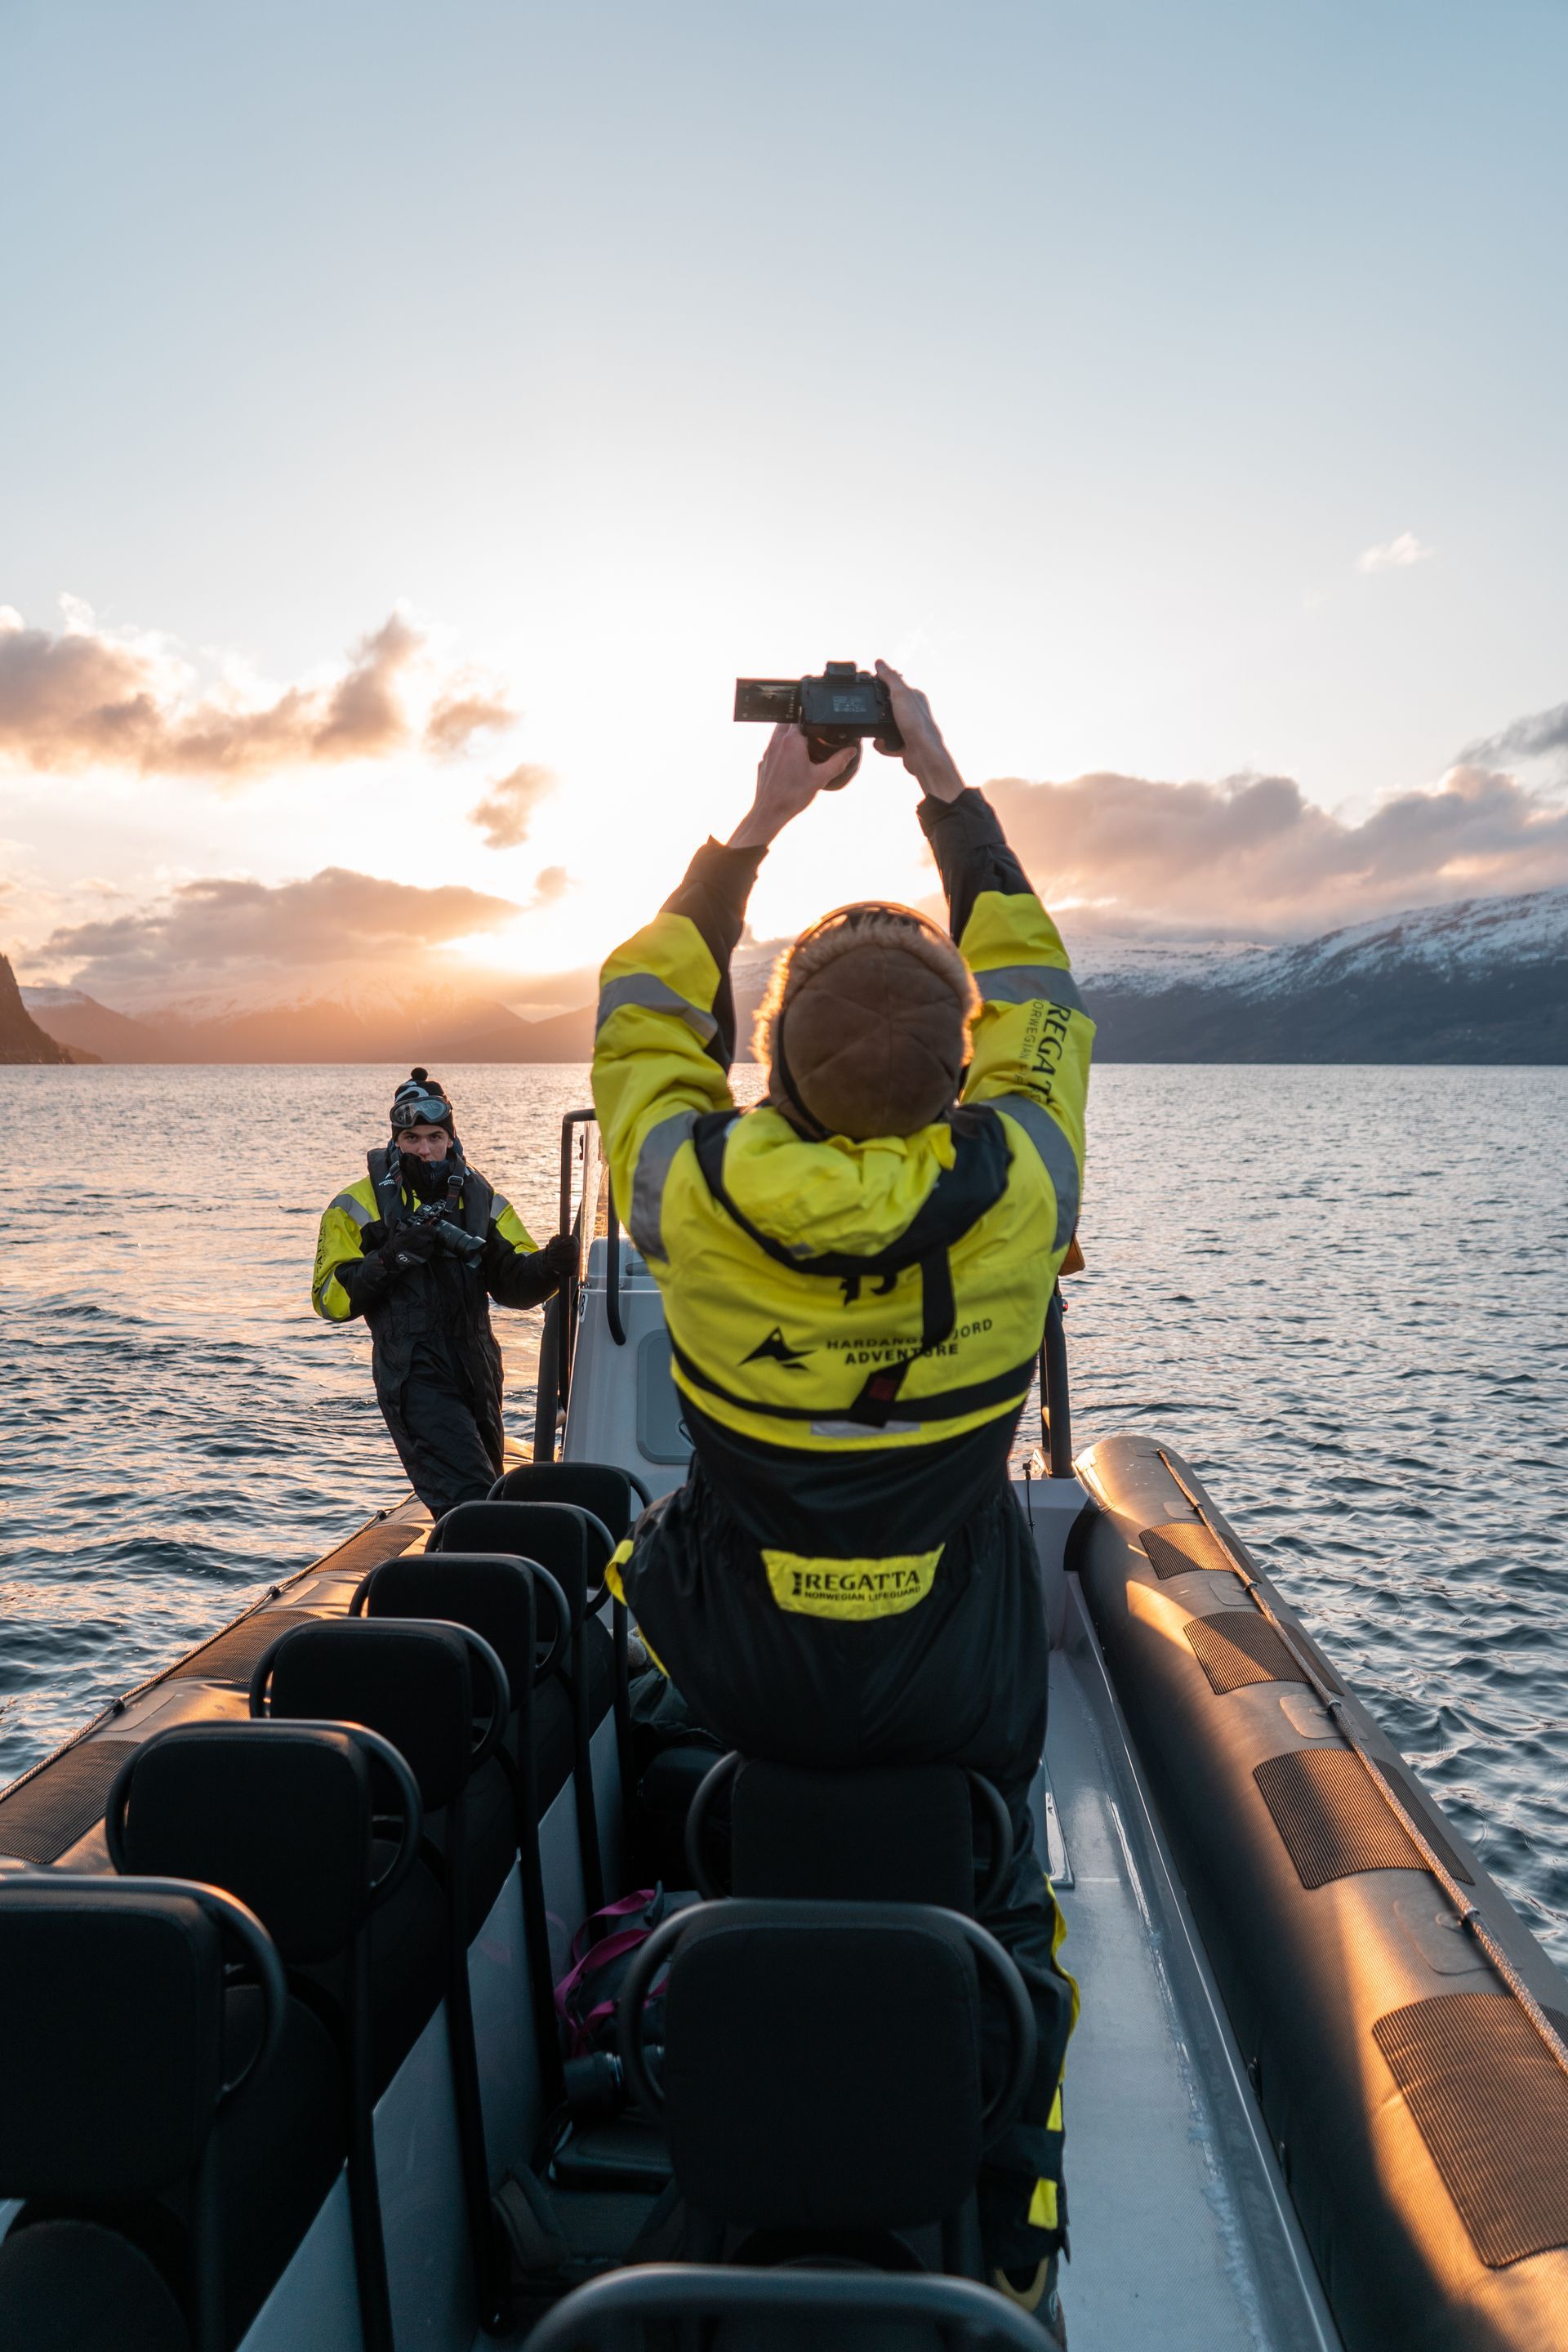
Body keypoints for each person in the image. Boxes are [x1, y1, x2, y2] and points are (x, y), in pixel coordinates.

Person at [591, 662, 1093, 2334]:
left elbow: (641, 1008)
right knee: (1014, 1924)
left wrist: (762, 819)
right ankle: (1014, 2226)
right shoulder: (1022, 1181)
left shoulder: (689, 1187)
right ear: (959, 1071)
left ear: (776, 1063)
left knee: (650, 1597)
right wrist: (942, 784)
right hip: (951, 1680)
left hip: (745, 1667)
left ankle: (703, 2096)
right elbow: (1038, 979)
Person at [312, 1069, 576, 1519]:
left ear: (451, 1138)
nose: (425, 1149)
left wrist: (551, 1264)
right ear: (396, 1141)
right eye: (412, 1137)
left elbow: (514, 1282)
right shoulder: (355, 1205)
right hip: (412, 1373)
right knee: (472, 1504)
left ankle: (468, 1574)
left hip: (479, 1369)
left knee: (484, 1496)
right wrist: (391, 1257)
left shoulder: (480, 1198)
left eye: (435, 1136)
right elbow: (330, 1299)